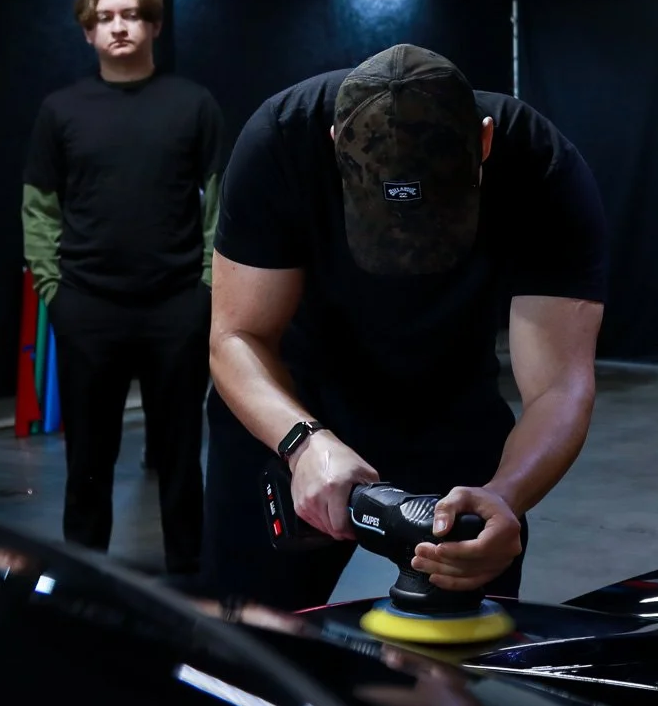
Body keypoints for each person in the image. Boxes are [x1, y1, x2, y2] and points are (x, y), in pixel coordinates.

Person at [206, 44, 605, 608]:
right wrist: (303, 443)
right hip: (292, 401)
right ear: (335, 143)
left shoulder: (539, 164)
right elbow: (236, 337)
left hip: (450, 407)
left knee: (468, 629)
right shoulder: (282, 138)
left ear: (484, 142)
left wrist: (506, 496)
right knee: (253, 633)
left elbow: (560, 385)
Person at [22, 0, 225, 579]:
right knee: (88, 457)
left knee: (180, 455)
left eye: (131, 15)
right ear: (88, 31)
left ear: (153, 25)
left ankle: (189, 576)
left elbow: (219, 207)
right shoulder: (60, 110)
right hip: (88, 306)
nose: (118, 27)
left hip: (175, 306)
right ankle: (83, 578)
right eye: (105, 17)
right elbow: (39, 208)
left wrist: (207, 289)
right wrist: (54, 292)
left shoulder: (193, 104)